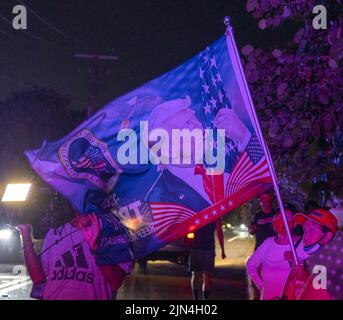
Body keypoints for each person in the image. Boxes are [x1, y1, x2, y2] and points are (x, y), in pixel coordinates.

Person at [17, 211, 132, 300]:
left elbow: (115, 282)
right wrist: (25, 232)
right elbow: (39, 278)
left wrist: (95, 248)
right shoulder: (56, 231)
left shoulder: (113, 230)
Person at [246, 205, 308, 300]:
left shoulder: (303, 245)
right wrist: (261, 286)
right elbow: (251, 265)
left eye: (286, 217)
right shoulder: (268, 243)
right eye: (277, 216)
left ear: (295, 223)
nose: (281, 219)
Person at [283, 208, 340, 300]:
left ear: (327, 237)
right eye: (305, 229)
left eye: (312, 230)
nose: (306, 234)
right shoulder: (305, 264)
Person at [189, 219, 226, 300]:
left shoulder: (214, 215)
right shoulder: (197, 213)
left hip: (205, 248)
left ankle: (203, 299)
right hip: (197, 247)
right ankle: (196, 298)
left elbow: (219, 232)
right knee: (197, 275)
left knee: (204, 276)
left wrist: (223, 249)